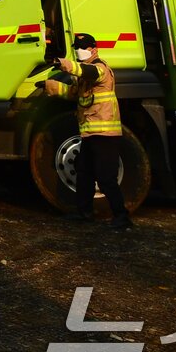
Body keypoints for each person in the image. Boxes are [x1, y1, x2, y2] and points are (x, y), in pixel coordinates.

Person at [44, 32, 131, 230]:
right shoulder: (84, 75)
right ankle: (84, 213)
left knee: (106, 177)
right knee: (84, 173)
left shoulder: (100, 69)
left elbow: (85, 71)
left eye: (82, 47)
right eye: (76, 47)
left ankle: (122, 217)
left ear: (94, 49)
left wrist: (62, 63)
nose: (79, 51)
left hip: (105, 135)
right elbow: (73, 94)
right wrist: (50, 86)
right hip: (90, 134)